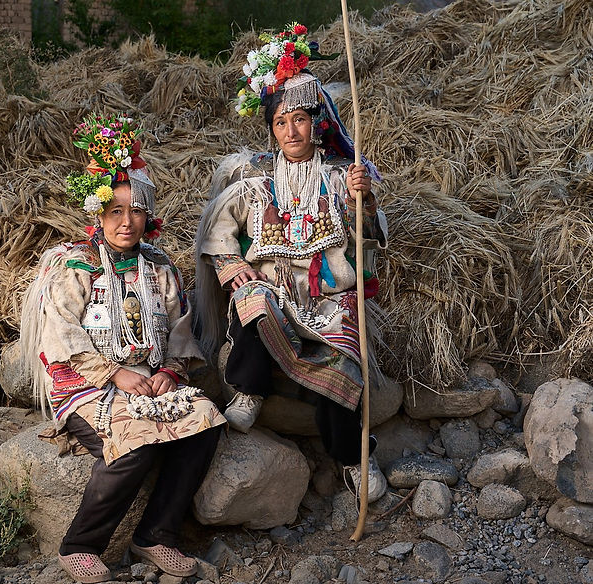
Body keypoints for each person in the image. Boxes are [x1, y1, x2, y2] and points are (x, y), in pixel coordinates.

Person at [20, 114, 225, 584]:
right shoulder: (77, 266)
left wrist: (168, 374)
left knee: (205, 424)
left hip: (147, 383)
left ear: (147, 215)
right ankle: (80, 546)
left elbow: (179, 333)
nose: (126, 221)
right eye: (115, 211)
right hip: (87, 388)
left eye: (135, 210)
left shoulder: (159, 269)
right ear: (99, 214)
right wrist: (115, 374)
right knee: (135, 447)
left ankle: (155, 535)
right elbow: (61, 335)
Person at [194, 23, 388, 501]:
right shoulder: (253, 178)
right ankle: (249, 390)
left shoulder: (344, 175)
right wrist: (230, 266)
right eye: (281, 123)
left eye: (299, 119)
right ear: (272, 129)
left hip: (327, 299)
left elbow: (370, 240)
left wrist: (363, 201)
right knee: (252, 300)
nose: (290, 130)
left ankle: (352, 459)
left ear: (316, 123)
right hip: (275, 290)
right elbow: (218, 230)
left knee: (344, 370)